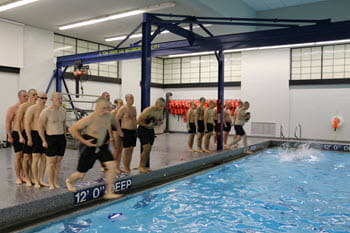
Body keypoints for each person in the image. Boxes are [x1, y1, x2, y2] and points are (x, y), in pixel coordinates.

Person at [65, 97, 123, 199]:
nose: (104, 111)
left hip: (102, 146)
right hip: (89, 145)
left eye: (106, 108)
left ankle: (109, 192)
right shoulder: (90, 118)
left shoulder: (108, 116)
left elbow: (115, 122)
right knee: (81, 174)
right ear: (97, 108)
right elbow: (72, 129)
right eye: (102, 108)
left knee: (112, 166)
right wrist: (83, 141)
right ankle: (69, 181)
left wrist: (118, 131)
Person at [38, 92, 66, 189]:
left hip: (61, 138)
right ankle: (50, 183)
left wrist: (65, 138)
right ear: (52, 100)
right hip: (51, 138)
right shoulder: (46, 111)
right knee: (50, 163)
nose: (60, 100)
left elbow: (63, 125)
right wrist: (43, 140)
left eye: (61, 98)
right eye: (58, 99)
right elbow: (40, 127)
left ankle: (55, 182)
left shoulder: (63, 111)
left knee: (58, 162)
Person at [24, 92, 48, 188]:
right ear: (37, 98)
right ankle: (33, 180)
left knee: (44, 158)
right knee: (35, 158)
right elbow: (27, 124)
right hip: (34, 134)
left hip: (44, 134)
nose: (44, 100)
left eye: (46, 98)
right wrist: (29, 138)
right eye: (42, 98)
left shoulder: (47, 109)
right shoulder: (31, 109)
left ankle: (41, 179)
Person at [15, 89, 38, 186]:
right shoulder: (23, 106)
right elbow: (17, 122)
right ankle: (21, 177)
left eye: (36, 95)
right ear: (28, 96)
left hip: (33, 133)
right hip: (23, 133)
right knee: (24, 156)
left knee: (32, 157)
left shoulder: (37, 107)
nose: (35, 96)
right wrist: (20, 136)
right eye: (33, 94)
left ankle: (30, 176)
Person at [6, 90, 28, 184]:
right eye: (24, 96)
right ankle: (18, 176)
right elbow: (8, 122)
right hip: (16, 133)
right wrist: (10, 136)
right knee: (19, 156)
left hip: (27, 133)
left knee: (26, 156)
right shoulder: (13, 108)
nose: (26, 98)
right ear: (19, 97)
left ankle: (24, 175)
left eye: (27, 96)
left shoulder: (29, 107)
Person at [137, 97, 165, 173]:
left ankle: (144, 166)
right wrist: (147, 125)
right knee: (146, 148)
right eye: (160, 106)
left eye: (162, 106)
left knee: (149, 149)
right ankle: (141, 166)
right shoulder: (148, 110)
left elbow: (160, 121)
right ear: (156, 103)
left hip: (151, 130)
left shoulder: (160, 111)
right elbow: (138, 121)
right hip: (143, 129)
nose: (161, 108)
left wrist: (157, 123)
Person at [116, 94, 137, 173]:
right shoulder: (123, 108)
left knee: (131, 149)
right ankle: (125, 167)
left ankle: (128, 166)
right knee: (127, 149)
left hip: (133, 131)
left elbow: (135, 119)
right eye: (131, 98)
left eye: (133, 98)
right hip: (126, 130)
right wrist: (119, 130)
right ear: (126, 99)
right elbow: (116, 119)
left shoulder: (134, 108)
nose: (132, 99)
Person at [111, 98, 124, 173]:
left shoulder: (122, 112)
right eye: (120, 103)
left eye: (122, 103)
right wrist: (111, 136)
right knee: (116, 150)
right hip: (115, 131)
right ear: (116, 104)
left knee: (120, 150)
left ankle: (118, 166)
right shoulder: (113, 112)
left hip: (121, 131)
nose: (122, 105)